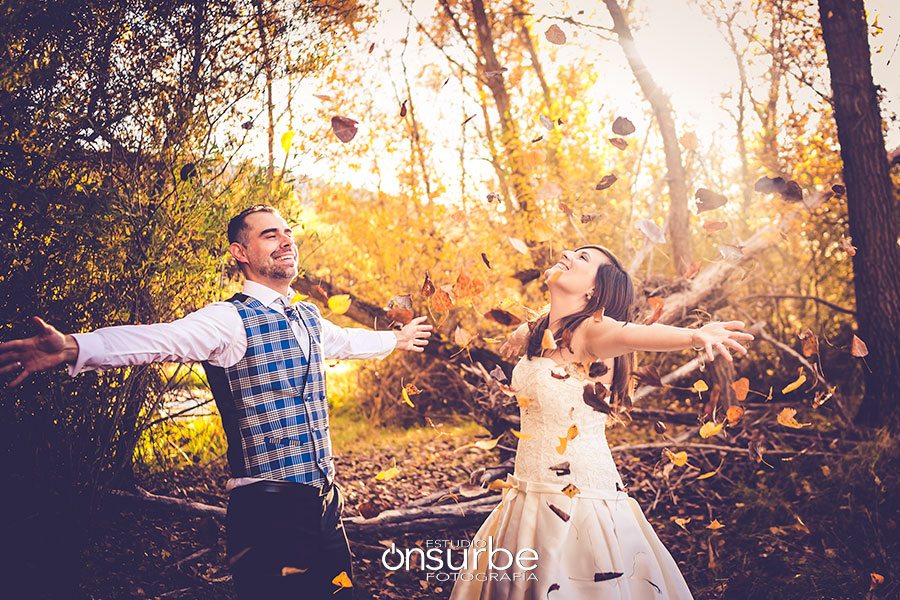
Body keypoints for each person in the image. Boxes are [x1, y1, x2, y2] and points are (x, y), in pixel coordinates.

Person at [0, 204, 433, 599]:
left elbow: (350, 341)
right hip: (268, 509)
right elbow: (158, 339)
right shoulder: (229, 320)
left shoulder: (307, 317)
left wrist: (396, 339)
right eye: (269, 235)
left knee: (339, 593)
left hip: (324, 501)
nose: (285, 240)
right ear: (239, 252)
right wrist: (73, 347)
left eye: (287, 232)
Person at [449, 245, 754, 600]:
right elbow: (550, 324)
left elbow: (632, 334)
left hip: (578, 500)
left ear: (593, 291)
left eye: (582, 258)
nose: (567, 253)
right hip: (527, 494)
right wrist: (526, 327)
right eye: (573, 251)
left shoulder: (594, 331)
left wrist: (693, 336)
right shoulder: (547, 330)